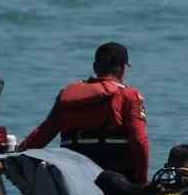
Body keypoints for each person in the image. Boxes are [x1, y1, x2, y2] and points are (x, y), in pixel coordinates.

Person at [21, 41, 149, 184]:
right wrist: (142, 181)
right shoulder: (128, 95)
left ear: (95, 67)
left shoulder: (68, 94)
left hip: (72, 175)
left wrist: (17, 154)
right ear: (122, 68)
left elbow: (43, 133)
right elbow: (139, 141)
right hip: (113, 176)